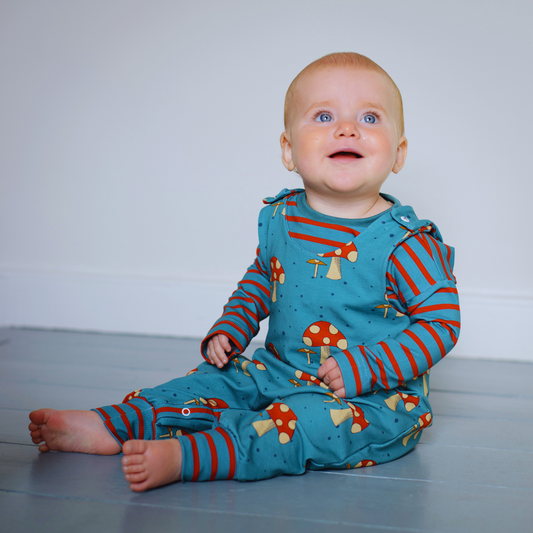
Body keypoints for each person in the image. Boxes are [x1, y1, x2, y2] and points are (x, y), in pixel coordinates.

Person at [28, 52, 460, 492]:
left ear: (398, 153)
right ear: (288, 150)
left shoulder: (405, 242)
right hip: (277, 372)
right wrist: (233, 325)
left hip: (369, 398)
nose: (347, 128)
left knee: (302, 426)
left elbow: (441, 324)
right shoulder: (282, 218)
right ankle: (115, 424)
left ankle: (190, 457)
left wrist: (366, 367)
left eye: (369, 117)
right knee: (211, 382)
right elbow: (262, 279)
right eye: (324, 116)